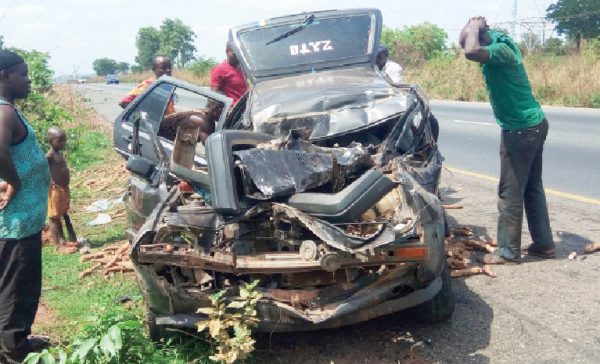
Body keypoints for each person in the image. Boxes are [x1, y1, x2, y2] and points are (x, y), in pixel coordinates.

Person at [459, 16, 555, 264]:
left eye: (473, 36)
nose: (469, 42)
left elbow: (470, 51)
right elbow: (467, 45)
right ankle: (544, 245)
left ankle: (508, 253)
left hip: (521, 130)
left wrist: (474, 26)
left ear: (481, 38)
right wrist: (473, 25)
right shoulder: (498, 42)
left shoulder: (500, 50)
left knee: (509, 192)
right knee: (532, 187)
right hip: (533, 125)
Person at [0, 50, 51, 363]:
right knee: (17, 288)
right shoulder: (4, 112)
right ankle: (13, 352)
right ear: (4, 76)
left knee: (13, 284)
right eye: (23, 73)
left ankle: (15, 342)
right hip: (16, 223)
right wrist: (15, 182)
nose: (29, 80)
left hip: (23, 220)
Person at [46, 126, 77, 247]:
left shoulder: (59, 153)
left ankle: (69, 237)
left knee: (64, 213)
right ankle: (58, 244)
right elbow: (42, 168)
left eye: (64, 139)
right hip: (55, 189)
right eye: (60, 140)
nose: (63, 142)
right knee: (54, 217)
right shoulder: (49, 156)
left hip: (64, 188)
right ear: (51, 141)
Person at [159, 98, 224, 144]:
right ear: (215, 109)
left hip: (170, 140)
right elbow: (210, 148)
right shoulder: (201, 122)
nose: (226, 114)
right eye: (223, 110)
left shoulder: (207, 117)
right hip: (161, 138)